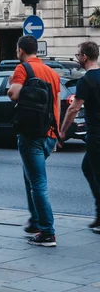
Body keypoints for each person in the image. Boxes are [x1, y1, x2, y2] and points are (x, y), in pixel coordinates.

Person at [8, 35, 60, 247]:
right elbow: (56, 105)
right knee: (30, 177)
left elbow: (13, 95)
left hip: (31, 134)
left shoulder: (23, 69)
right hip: (48, 134)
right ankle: (36, 221)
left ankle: (47, 232)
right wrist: (56, 136)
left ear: (20, 50)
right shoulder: (52, 72)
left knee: (38, 183)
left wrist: (11, 86)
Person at [59, 41, 100, 231]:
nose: (77, 58)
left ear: (84, 56)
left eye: (78, 55)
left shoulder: (86, 80)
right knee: (87, 167)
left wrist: (63, 130)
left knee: (96, 174)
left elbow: (74, 108)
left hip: (96, 135)